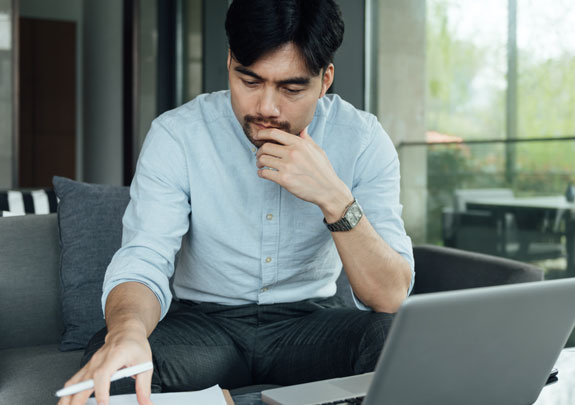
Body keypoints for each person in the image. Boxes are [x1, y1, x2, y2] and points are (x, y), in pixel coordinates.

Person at [58, 0, 414, 404]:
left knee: (393, 340)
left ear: (325, 79)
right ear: (230, 63)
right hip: (205, 328)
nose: (266, 108)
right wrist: (127, 333)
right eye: (250, 81)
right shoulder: (178, 135)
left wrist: (334, 198)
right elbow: (144, 256)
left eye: (291, 88)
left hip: (308, 324)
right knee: (118, 363)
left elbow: (390, 297)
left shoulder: (363, 139)